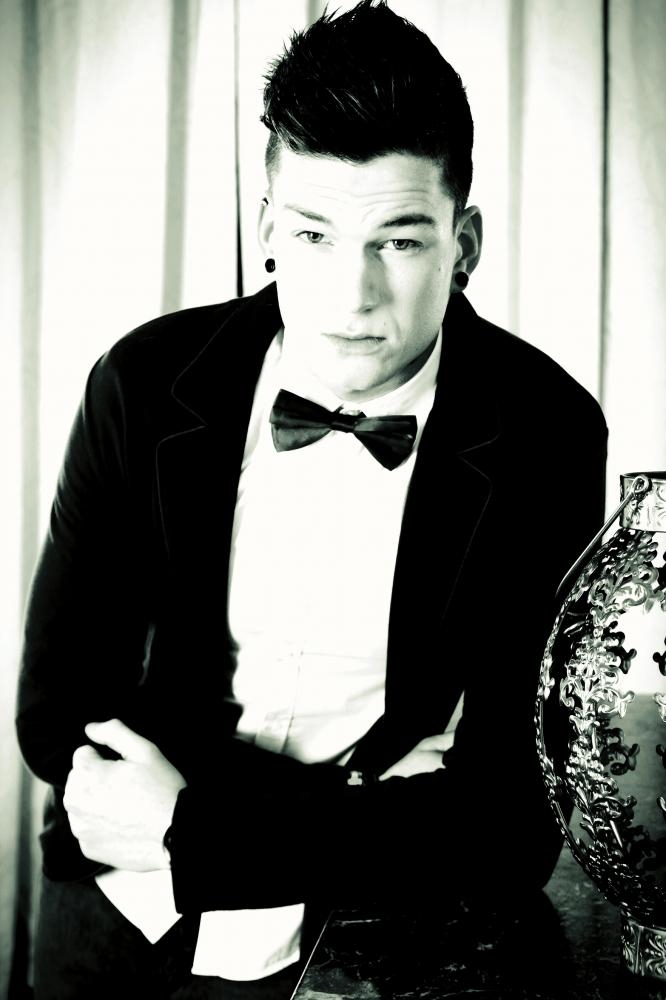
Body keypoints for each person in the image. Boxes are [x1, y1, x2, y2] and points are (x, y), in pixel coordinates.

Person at [16, 1, 608, 997]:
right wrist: (365, 812)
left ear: (464, 241)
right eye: (315, 233)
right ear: (266, 229)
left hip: (375, 925)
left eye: (399, 242)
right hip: (121, 902)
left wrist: (198, 825)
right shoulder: (144, 382)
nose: (352, 295)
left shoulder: (546, 429)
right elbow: (56, 711)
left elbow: (511, 820)